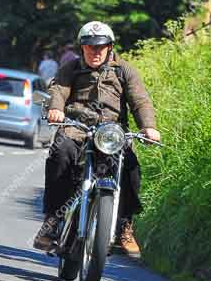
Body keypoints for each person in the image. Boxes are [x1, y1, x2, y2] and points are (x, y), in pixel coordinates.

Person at [33, 20, 160, 256]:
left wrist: (149, 127)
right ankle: (51, 222)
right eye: (89, 46)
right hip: (75, 128)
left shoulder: (125, 70)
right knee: (59, 155)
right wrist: (56, 109)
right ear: (82, 47)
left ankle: (124, 226)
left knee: (130, 166)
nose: (95, 51)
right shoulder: (70, 69)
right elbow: (58, 90)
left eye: (100, 47)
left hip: (111, 132)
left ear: (110, 47)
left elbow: (140, 100)